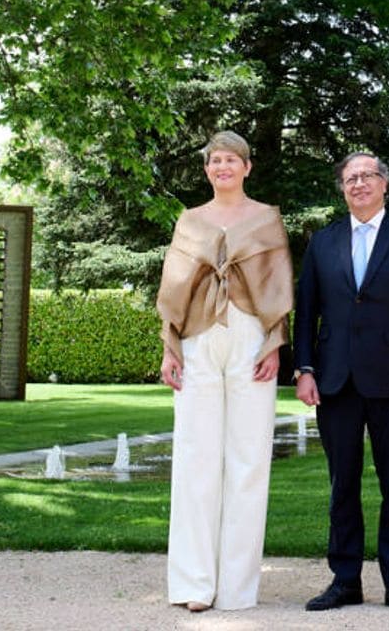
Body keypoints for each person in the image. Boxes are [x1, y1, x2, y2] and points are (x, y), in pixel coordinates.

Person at [156, 130, 294, 612]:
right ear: (207, 169)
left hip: (251, 340)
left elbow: (278, 287)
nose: (223, 167)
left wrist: (275, 344)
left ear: (247, 167)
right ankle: (194, 583)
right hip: (197, 340)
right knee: (195, 458)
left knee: (249, 460)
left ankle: (237, 588)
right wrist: (170, 348)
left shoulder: (266, 219)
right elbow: (174, 288)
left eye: (231, 160)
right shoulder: (190, 221)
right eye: (215, 160)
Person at [294, 152, 389, 614]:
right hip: (334, 382)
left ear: (384, 184)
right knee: (342, 485)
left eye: (367, 176)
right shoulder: (323, 243)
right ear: (342, 188)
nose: (358, 184)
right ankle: (345, 579)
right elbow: (306, 312)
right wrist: (305, 369)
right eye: (350, 178)